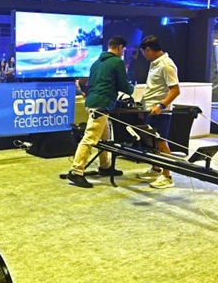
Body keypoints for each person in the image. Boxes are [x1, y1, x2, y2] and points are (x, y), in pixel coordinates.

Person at [66, 36, 134, 188]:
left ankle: (105, 166)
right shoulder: (117, 61)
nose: (123, 53)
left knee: (105, 137)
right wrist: (132, 88)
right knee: (90, 138)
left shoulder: (97, 62)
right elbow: (124, 85)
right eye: (123, 50)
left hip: (92, 102)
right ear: (120, 47)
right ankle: (76, 171)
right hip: (102, 104)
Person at [137, 35, 181, 189]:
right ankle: (156, 169)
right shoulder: (154, 64)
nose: (143, 55)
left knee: (161, 142)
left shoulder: (166, 65)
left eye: (143, 52)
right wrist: (143, 106)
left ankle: (167, 177)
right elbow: (152, 88)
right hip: (149, 109)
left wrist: (161, 106)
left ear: (148, 50)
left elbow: (175, 90)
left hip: (159, 112)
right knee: (152, 142)